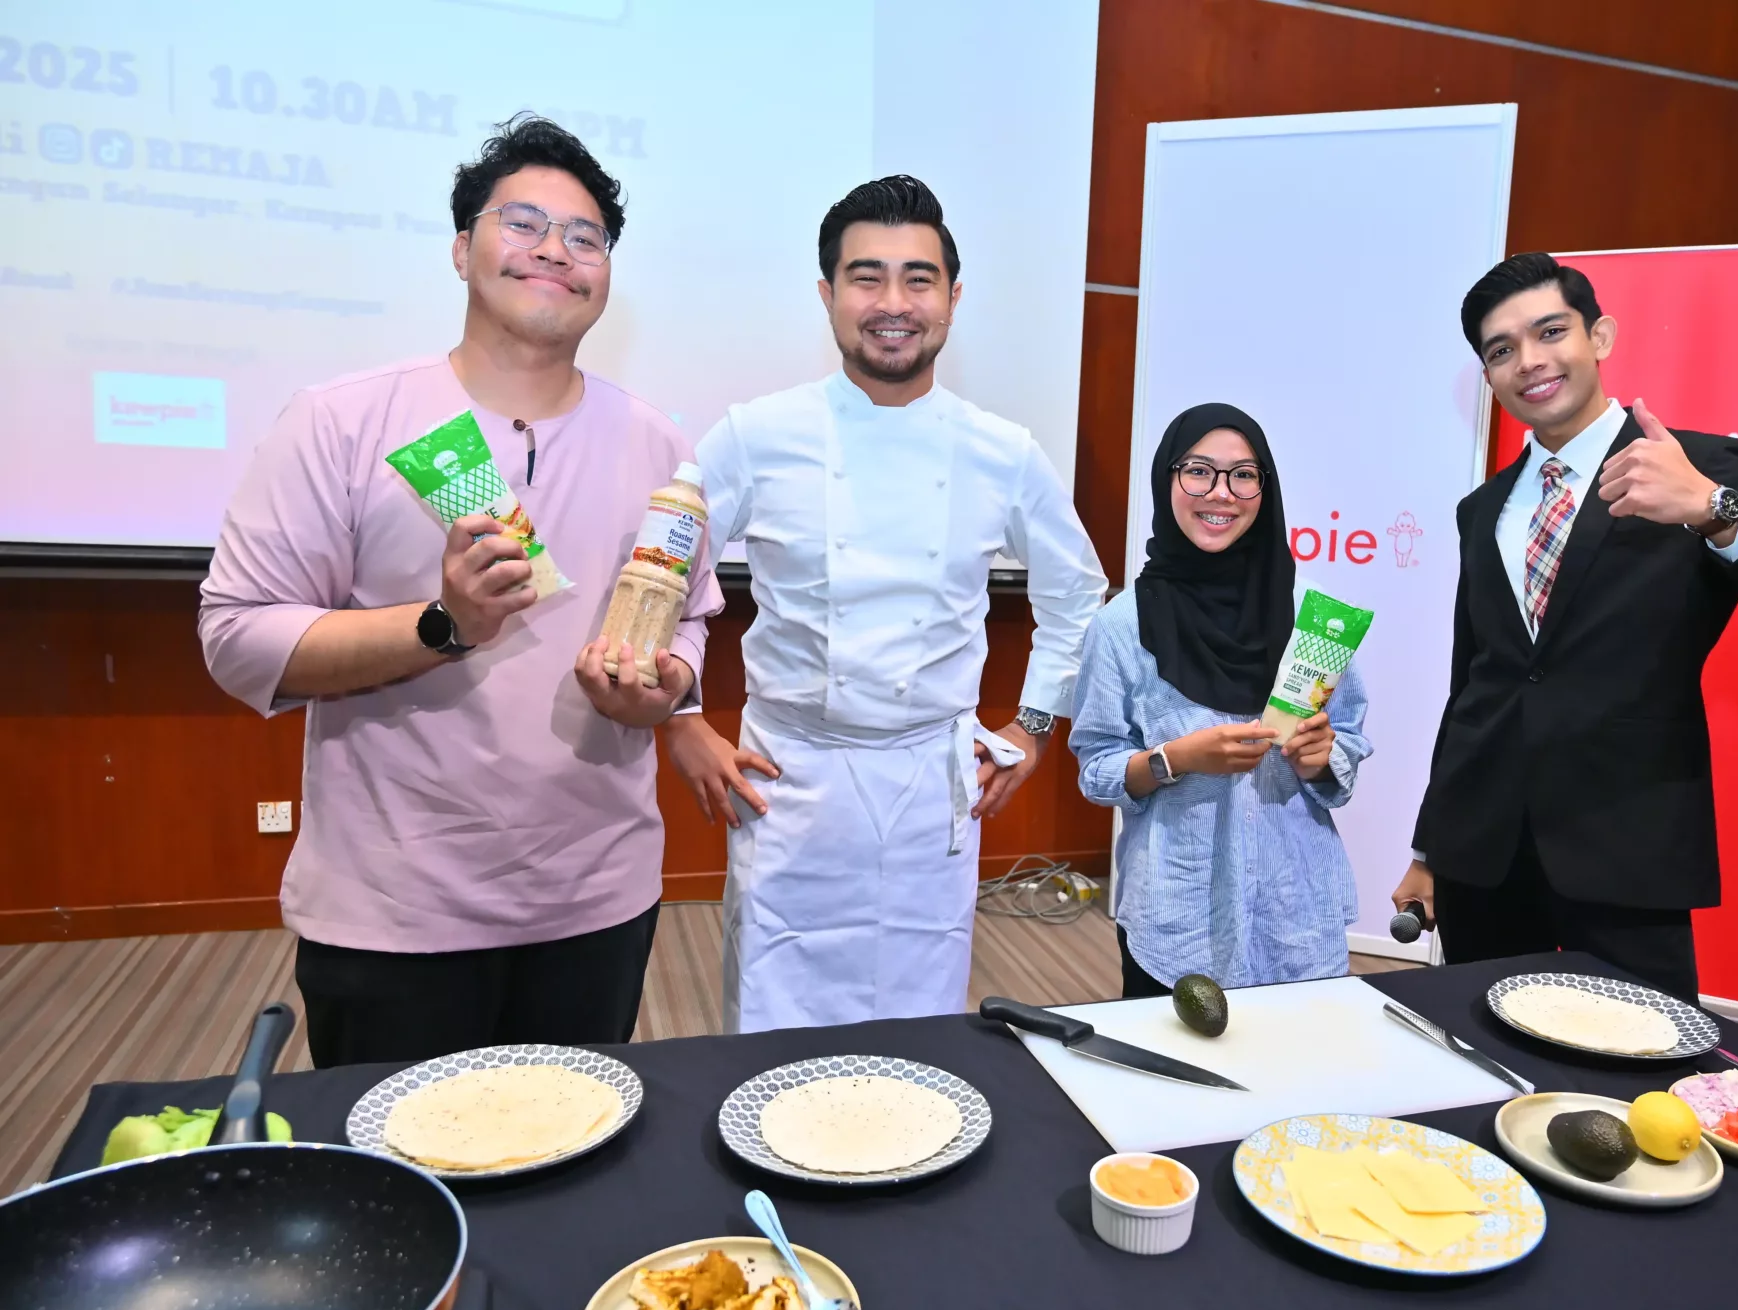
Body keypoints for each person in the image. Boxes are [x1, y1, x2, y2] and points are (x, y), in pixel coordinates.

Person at [199, 116, 722, 1066]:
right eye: (522, 223)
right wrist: (444, 625)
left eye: (585, 237)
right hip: (396, 909)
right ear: (460, 248)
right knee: (399, 1158)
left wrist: (666, 686)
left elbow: (688, 618)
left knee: (578, 1144)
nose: (554, 251)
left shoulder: (659, 444)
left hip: (597, 899)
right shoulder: (343, 422)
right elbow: (238, 638)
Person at [664, 175, 1107, 1033]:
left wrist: (1033, 727)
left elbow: (1077, 593)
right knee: (774, 1021)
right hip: (789, 778)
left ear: (953, 298)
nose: (894, 303)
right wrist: (680, 719)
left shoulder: (1002, 450)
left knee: (920, 1023)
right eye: (866, 278)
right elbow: (660, 571)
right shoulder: (756, 435)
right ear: (828, 294)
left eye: (919, 279)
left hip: (929, 787)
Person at [1390, 252, 1738, 1000]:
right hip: (1482, 855)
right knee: (1485, 1047)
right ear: (1488, 376)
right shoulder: (1481, 510)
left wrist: (1714, 510)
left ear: (1600, 336)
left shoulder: (1699, 468)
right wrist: (1430, 847)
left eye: (1551, 331)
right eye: (1502, 349)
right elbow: (1472, 685)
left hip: (1628, 849)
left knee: (1641, 1062)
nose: (1530, 360)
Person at [1070, 404, 1372, 997]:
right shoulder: (1121, 627)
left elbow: (1349, 742)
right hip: (1176, 924)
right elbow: (1096, 769)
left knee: (1304, 1055)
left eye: (1243, 475)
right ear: (1168, 479)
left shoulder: (1312, 617)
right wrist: (1177, 758)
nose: (1221, 493)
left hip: (1296, 916)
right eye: (1199, 471)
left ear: (1266, 489)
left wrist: (1322, 758)